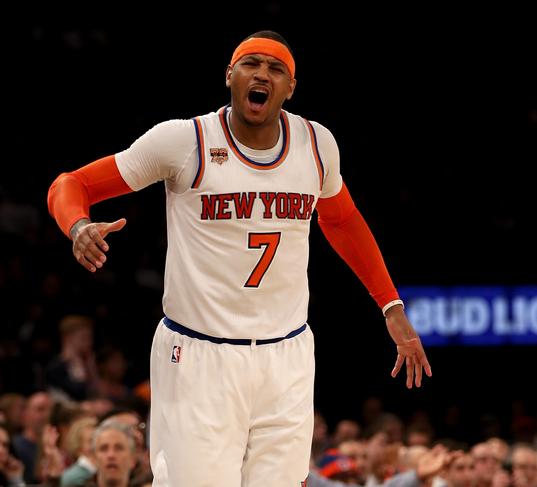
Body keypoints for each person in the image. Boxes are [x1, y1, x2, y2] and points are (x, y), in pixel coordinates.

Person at [47, 30, 432, 486]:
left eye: (276, 69)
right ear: (230, 75)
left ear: (290, 87)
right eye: (251, 64)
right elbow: (73, 184)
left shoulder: (316, 144)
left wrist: (390, 305)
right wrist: (77, 225)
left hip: (286, 354)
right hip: (198, 354)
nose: (262, 75)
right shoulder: (184, 141)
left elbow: (342, 221)